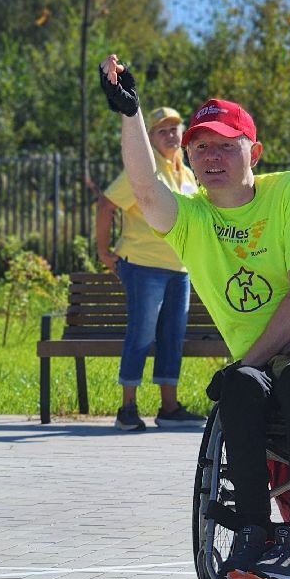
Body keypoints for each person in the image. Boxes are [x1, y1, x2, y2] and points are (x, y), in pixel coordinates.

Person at [99, 53, 290, 579]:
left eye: (227, 144)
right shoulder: (193, 219)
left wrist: (245, 362)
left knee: (280, 375)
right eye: (200, 145)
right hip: (265, 366)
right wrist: (129, 113)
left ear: (255, 152)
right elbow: (146, 192)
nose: (212, 155)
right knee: (243, 388)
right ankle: (252, 533)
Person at [94, 105, 204, 431]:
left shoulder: (184, 172)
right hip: (143, 265)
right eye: (161, 130)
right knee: (141, 334)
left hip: (179, 268)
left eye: (174, 129)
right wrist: (103, 251)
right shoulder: (144, 168)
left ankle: (169, 408)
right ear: (150, 137)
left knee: (172, 336)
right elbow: (105, 205)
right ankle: (127, 408)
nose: (170, 135)